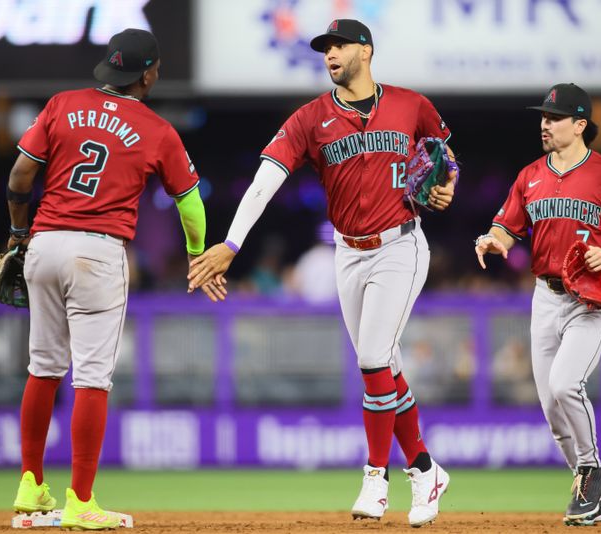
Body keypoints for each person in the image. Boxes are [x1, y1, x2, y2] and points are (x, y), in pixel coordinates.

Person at [187, 19, 456, 528]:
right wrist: (232, 242)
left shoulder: (411, 104)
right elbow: (265, 180)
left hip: (400, 245)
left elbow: (444, 160)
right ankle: (424, 469)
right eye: (324, 48)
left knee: (374, 358)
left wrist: (447, 187)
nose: (329, 54)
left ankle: (376, 478)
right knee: (382, 367)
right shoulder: (311, 118)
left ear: (366, 50)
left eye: (339, 45)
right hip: (346, 252)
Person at [6, 28, 220, 529]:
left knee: (43, 368)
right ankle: (80, 501)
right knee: (92, 378)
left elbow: (20, 175)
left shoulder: (62, 104)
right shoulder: (157, 129)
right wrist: (195, 254)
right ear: (148, 74)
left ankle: (30, 484)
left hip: (43, 241)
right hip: (98, 251)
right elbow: (190, 203)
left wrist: (17, 234)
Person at [474, 83, 601, 526]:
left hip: (591, 298)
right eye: (543, 116)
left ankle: (591, 471)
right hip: (545, 295)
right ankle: (592, 490)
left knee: (564, 385)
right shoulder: (530, 175)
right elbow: (507, 227)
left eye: (554, 117)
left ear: (580, 125)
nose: (545, 123)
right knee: (552, 411)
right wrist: (492, 239)